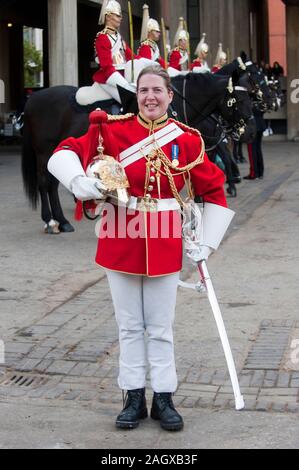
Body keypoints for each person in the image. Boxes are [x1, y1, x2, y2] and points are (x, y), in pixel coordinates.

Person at [48, 65, 234, 432]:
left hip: (165, 238)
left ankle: (164, 397)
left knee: (161, 326)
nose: (150, 97)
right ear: (137, 94)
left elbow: (214, 188)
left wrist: (207, 244)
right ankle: (133, 396)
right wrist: (77, 179)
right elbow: (64, 151)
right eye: (144, 90)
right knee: (129, 326)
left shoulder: (188, 139)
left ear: (169, 95)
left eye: (157, 90)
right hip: (120, 232)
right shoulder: (111, 130)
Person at [76, 0, 136, 105]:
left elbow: (133, 57)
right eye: (117, 15)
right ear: (108, 17)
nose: (120, 18)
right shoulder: (102, 37)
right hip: (108, 78)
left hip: (123, 75)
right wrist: (125, 85)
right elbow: (107, 67)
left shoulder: (119, 38)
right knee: (131, 101)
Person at [137, 4, 167, 69]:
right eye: (156, 31)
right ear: (149, 32)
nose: (159, 34)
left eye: (159, 32)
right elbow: (147, 67)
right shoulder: (145, 46)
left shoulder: (154, 46)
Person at [244, 107, 266, 180]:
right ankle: (260, 172)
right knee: (258, 149)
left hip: (253, 126)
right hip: (261, 124)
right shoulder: (260, 98)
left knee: (252, 150)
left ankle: (254, 173)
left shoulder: (250, 98)